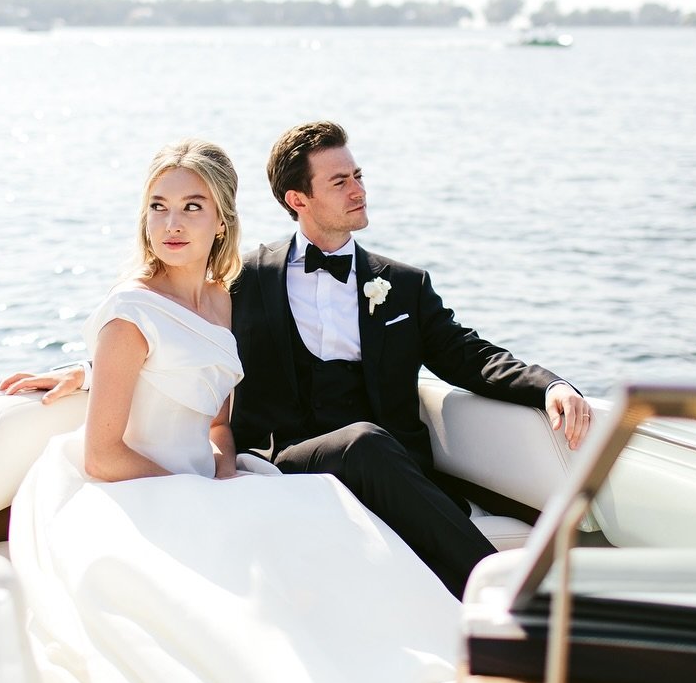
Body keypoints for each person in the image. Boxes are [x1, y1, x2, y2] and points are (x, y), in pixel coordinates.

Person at [1, 139, 460, 683]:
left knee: (321, 529)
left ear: (221, 220)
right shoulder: (128, 311)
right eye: (158, 206)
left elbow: (217, 418)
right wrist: (92, 372)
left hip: (209, 477)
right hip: (133, 488)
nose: (171, 222)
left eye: (192, 207)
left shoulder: (225, 300)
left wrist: (222, 463)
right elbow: (102, 456)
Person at [229, 120, 591, 598]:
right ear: (298, 199)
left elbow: (467, 355)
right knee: (364, 443)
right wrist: (96, 366)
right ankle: (507, 600)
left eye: (358, 175)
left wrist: (549, 386)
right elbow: (185, 334)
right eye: (340, 182)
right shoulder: (246, 278)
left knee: (371, 446)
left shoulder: (403, 285)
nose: (358, 190)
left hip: (389, 466)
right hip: (286, 461)